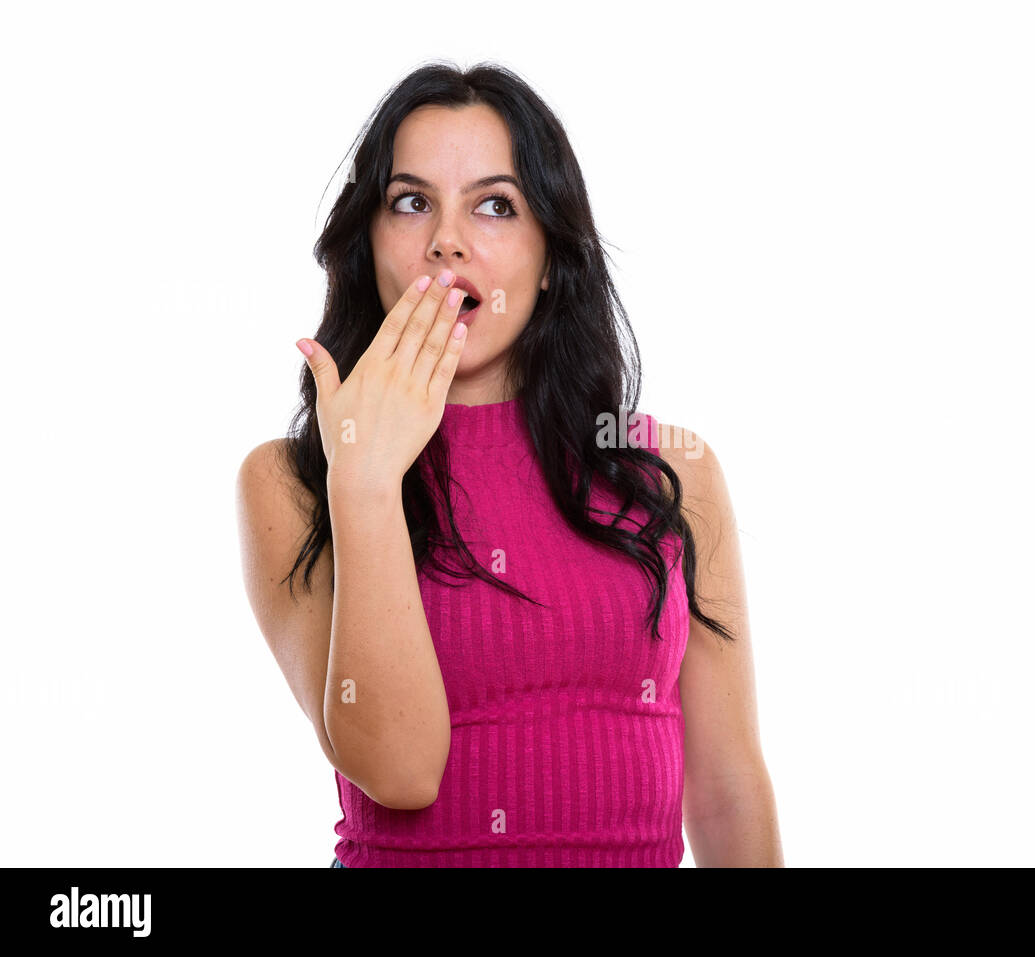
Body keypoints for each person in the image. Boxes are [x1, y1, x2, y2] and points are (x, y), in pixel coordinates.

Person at [235, 61, 782, 867]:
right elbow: (402, 770)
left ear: (552, 254)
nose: (446, 241)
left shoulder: (673, 474)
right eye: (411, 202)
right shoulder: (290, 483)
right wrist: (366, 479)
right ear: (370, 245)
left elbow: (727, 788)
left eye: (494, 206)